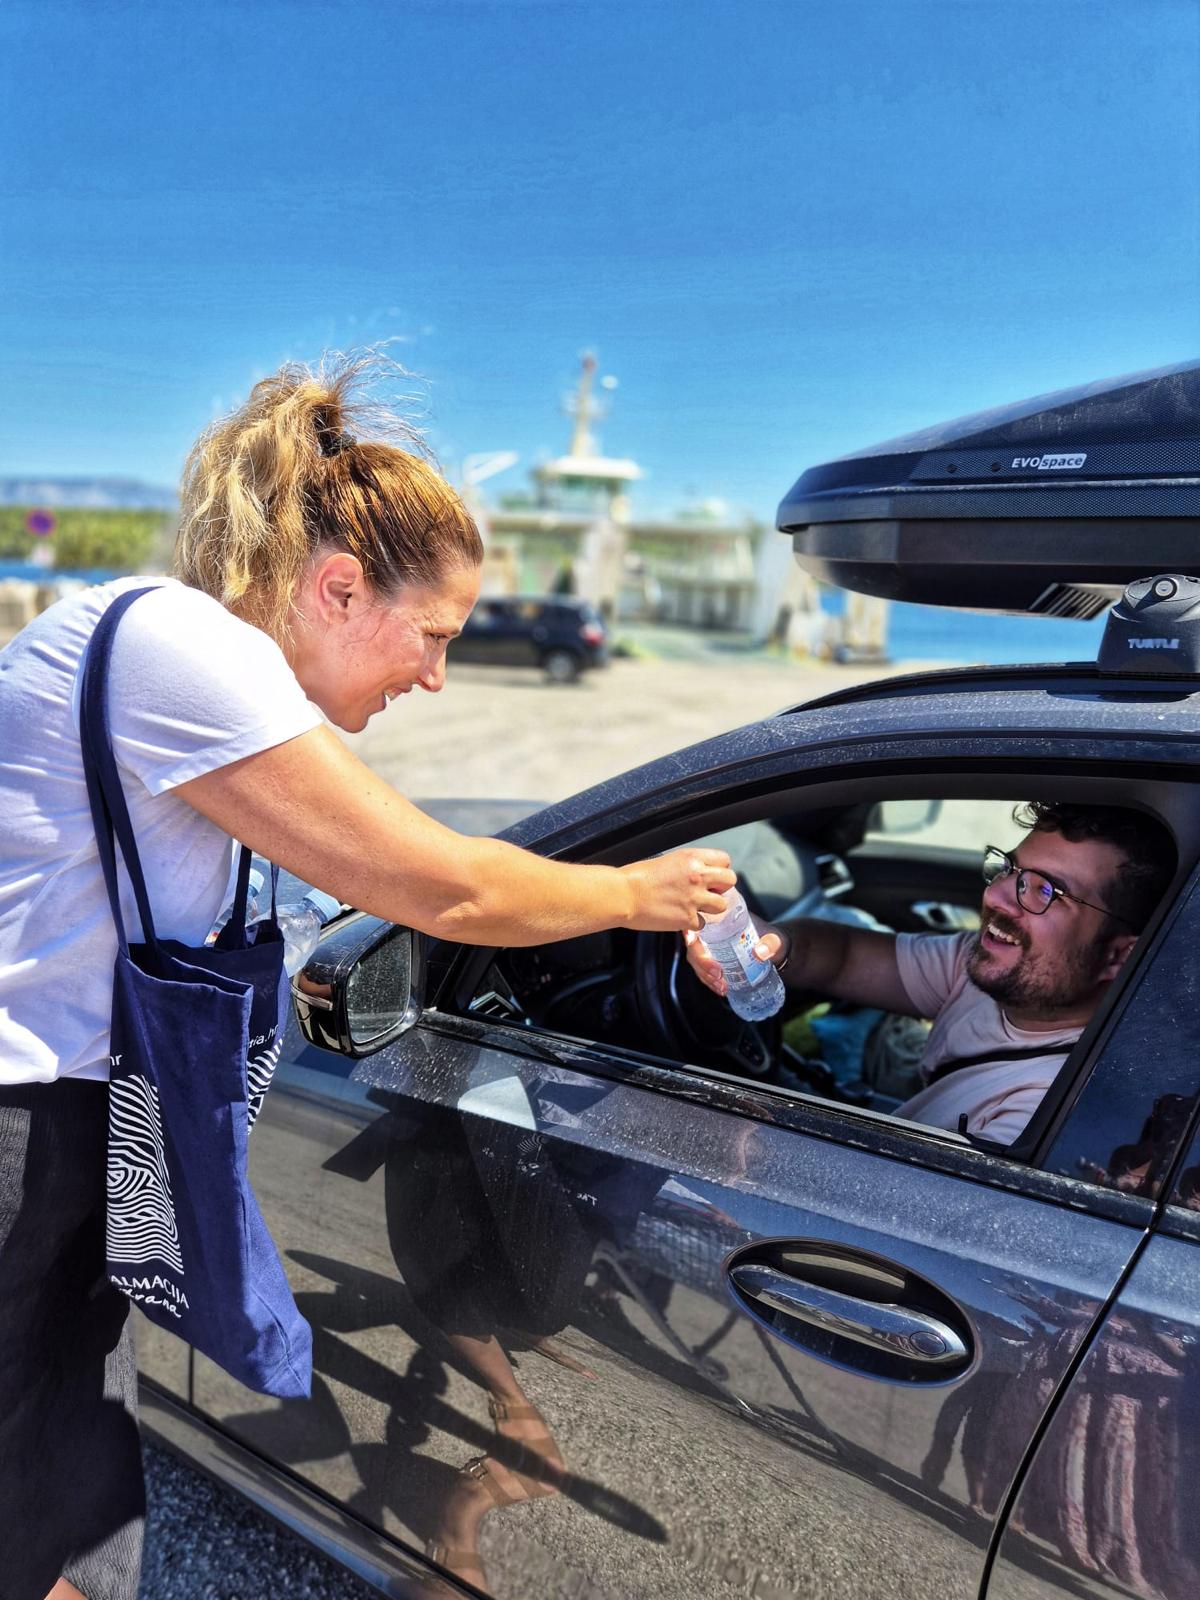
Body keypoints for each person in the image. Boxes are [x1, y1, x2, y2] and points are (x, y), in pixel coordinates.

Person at [0, 353, 736, 1600]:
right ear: (338, 588)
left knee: (65, 1480)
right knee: (43, 1477)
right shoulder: (181, 647)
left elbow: (324, 896)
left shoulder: (217, 687)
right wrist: (636, 895)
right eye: (433, 636)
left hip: (73, 1122)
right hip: (22, 1131)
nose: (436, 675)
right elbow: (442, 884)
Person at [687, 801, 1175, 1146]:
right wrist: (771, 943)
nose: (996, 897)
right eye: (1010, 869)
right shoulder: (988, 970)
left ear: (1119, 957)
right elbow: (845, 956)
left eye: (1044, 891)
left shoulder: (1051, 1109)